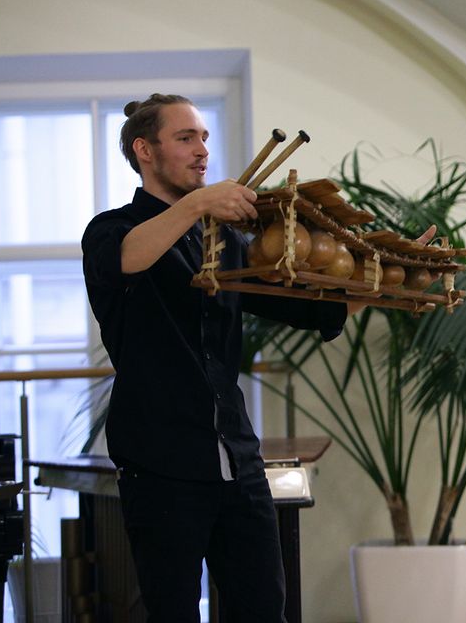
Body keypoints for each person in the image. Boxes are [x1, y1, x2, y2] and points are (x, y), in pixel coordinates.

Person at [82, 94, 351, 621]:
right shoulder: (111, 230)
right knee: (174, 613)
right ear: (145, 150)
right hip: (159, 463)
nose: (202, 150)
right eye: (185, 138)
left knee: (263, 610)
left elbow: (298, 306)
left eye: (204, 137)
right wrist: (200, 204)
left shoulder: (221, 239)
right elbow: (128, 259)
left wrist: (381, 280)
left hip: (238, 459)